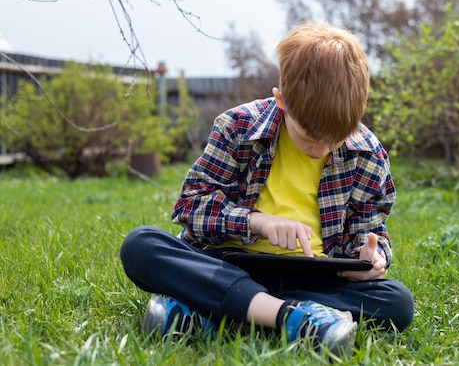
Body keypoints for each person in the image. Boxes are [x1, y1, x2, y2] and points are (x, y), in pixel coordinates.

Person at [119, 21, 414, 356]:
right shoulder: (238, 126)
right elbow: (189, 206)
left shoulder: (369, 153)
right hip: (227, 264)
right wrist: (258, 222)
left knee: (397, 302)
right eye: (310, 138)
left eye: (335, 140)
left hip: (310, 278)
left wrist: (373, 257)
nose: (322, 149)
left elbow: (370, 231)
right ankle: (294, 317)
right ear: (281, 101)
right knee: (140, 245)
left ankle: (210, 312)